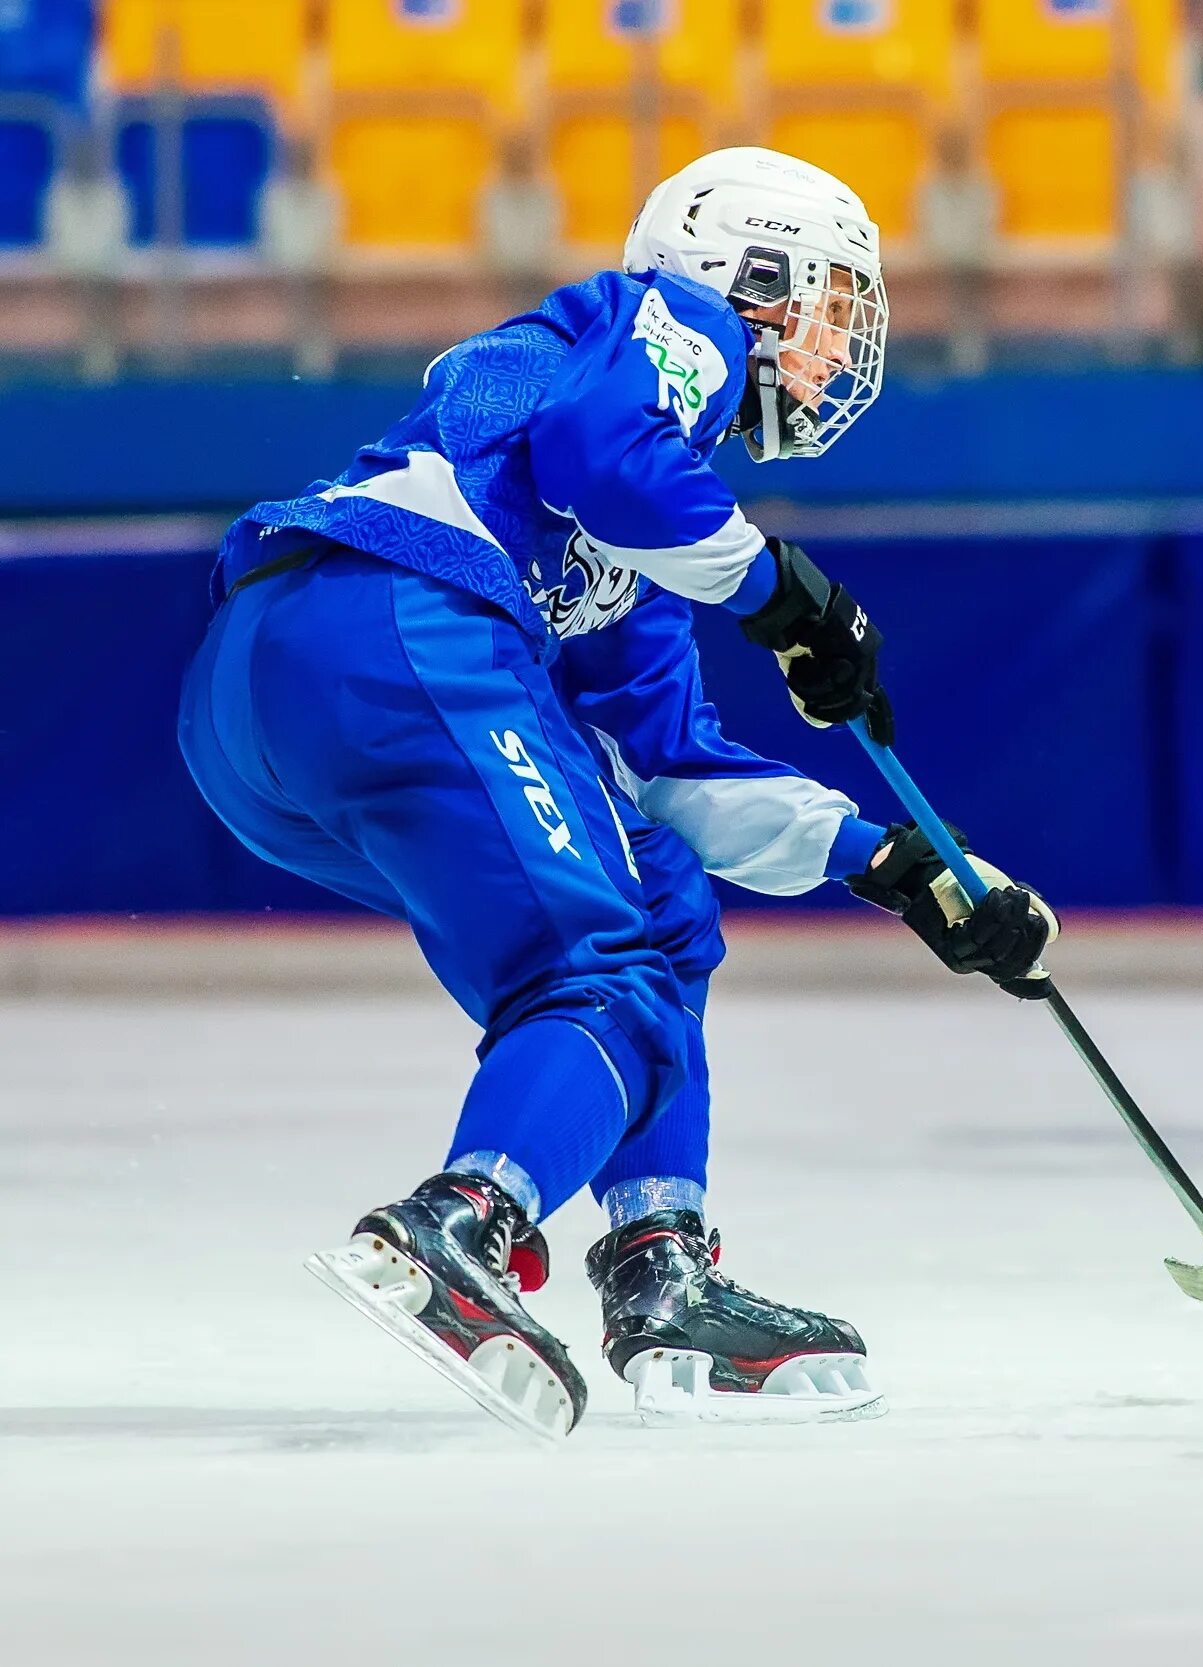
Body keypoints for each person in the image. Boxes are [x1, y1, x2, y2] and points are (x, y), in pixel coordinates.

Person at [177, 147, 1058, 1441]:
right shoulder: (667, 326)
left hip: (271, 689)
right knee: (598, 968)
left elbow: (675, 769)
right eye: (821, 306)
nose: (833, 347)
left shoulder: (630, 545)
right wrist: (783, 592)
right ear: (749, 277)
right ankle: (462, 1224)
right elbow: (609, 451)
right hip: (397, 624)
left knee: (655, 892)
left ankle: (660, 1260)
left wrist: (897, 861)